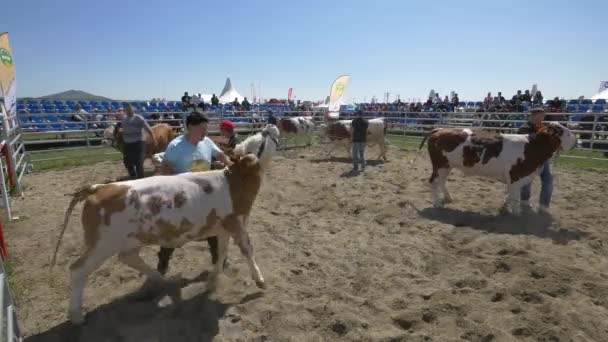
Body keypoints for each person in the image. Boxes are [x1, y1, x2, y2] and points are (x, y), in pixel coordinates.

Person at [156, 111, 232, 275]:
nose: (205, 132)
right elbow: (163, 172)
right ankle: (162, 265)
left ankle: (220, 263)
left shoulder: (207, 142)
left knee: (213, 230)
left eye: (206, 128)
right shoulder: (176, 146)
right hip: (183, 201)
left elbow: (221, 155)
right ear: (190, 127)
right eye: (202, 128)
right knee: (173, 236)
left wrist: (228, 164)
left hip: (205, 198)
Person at [519, 107, 553, 214]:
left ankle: (543, 205)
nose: (542, 118)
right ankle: (524, 200)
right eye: (541, 116)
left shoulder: (542, 127)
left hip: (543, 158)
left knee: (548, 180)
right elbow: (527, 141)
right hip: (530, 160)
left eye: (543, 116)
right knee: (527, 181)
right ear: (533, 115)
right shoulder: (524, 128)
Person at [121, 103, 156, 179]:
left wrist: (154, 139)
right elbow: (124, 130)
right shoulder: (124, 120)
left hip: (139, 143)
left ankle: (141, 178)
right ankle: (133, 176)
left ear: (133, 109)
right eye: (126, 109)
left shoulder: (139, 118)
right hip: (128, 144)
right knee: (127, 162)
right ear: (125, 110)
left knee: (138, 163)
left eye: (130, 109)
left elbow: (149, 129)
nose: (128, 110)